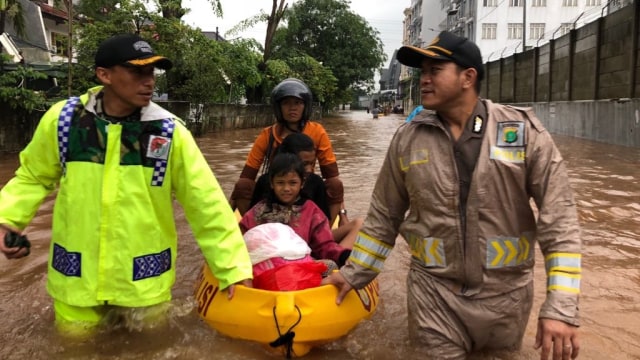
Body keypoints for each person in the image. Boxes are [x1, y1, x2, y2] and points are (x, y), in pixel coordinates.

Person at [322, 31, 582, 360]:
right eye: (423, 72)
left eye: (435, 71)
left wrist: (560, 307)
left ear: (467, 77)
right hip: (434, 295)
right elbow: (383, 218)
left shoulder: (522, 132)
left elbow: (560, 222)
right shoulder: (408, 139)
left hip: (507, 301)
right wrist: (353, 274)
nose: (424, 80)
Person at [0, 34, 253, 336]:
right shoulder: (65, 122)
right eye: (137, 71)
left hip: (144, 279)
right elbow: (33, 176)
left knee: (151, 347)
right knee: (72, 348)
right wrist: (7, 220)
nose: (149, 82)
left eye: (151, 73)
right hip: (76, 275)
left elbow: (206, 203)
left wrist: (234, 269)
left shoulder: (170, 133)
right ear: (104, 75)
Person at [230, 78, 344, 225]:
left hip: (305, 187)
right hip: (276, 187)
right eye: (286, 103)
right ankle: (255, 228)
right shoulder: (267, 135)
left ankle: (324, 230)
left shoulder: (317, 132)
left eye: (297, 103)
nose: (292, 108)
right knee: (243, 184)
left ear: (305, 106)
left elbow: (333, 178)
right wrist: (228, 212)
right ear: (279, 107)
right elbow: (246, 178)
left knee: (335, 184)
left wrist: (343, 215)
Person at [250, 133, 362, 248]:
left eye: (312, 164)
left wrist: (342, 215)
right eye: (304, 164)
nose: (309, 169)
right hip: (275, 242)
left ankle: (338, 258)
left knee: (360, 224)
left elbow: (322, 226)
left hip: (310, 240)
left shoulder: (315, 183)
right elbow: (253, 223)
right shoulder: (266, 182)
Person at [239, 153, 351, 267]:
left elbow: (325, 245)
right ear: (272, 183)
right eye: (280, 183)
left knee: (330, 265)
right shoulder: (258, 211)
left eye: (292, 183)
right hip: (264, 268)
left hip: (300, 266)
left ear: (302, 183)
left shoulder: (312, 211)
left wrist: (344, 256)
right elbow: (239, 241)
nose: (286, 188)